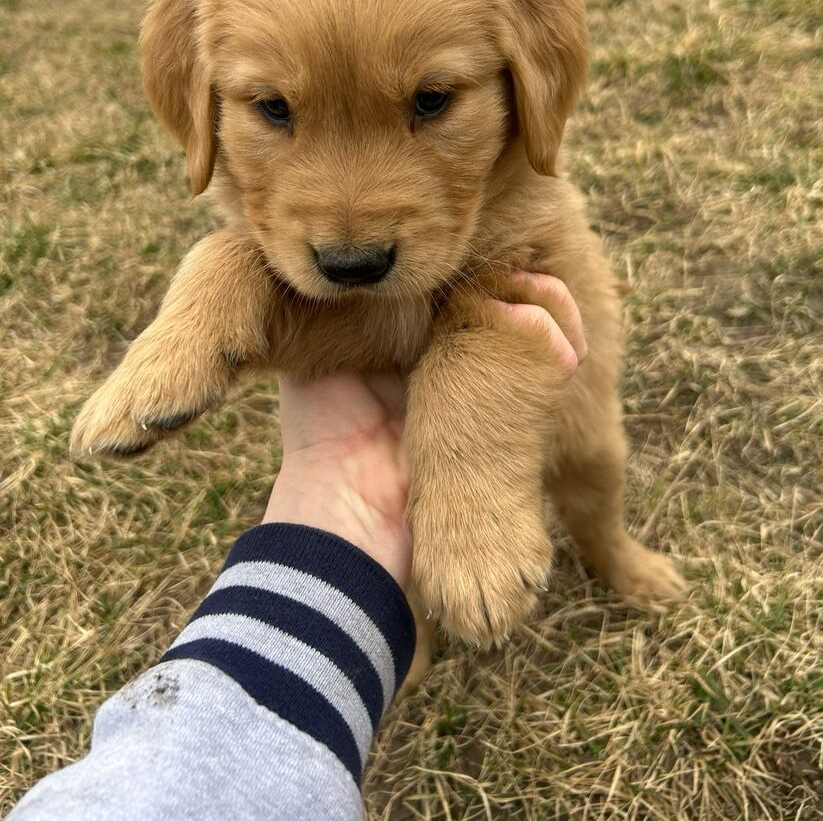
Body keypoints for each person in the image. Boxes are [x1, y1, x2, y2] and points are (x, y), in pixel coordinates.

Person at [10, 274, 585, 820]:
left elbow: (528, 294)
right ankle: (414, 628)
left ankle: (608, 546)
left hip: (550, 401)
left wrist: (475, 440)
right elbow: (305, 327)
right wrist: (212, 302)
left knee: (592, 463)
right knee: (236, 256)